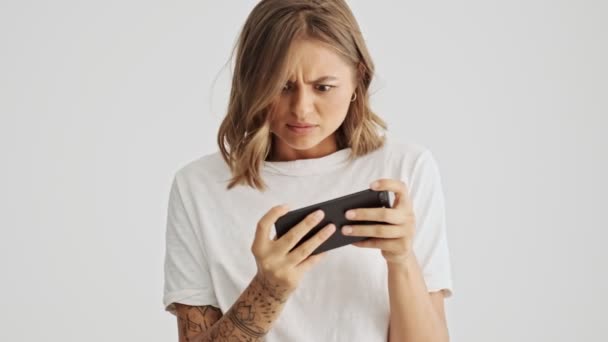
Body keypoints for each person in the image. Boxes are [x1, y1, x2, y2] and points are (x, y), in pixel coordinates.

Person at [162, 0, 454, 341]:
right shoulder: (198, 186)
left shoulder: (406, 169)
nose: (301, 108)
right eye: (282, 86)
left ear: (358, 77)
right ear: (252, 81)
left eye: (323, 87)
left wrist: (402, 259)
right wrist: (267, 291)